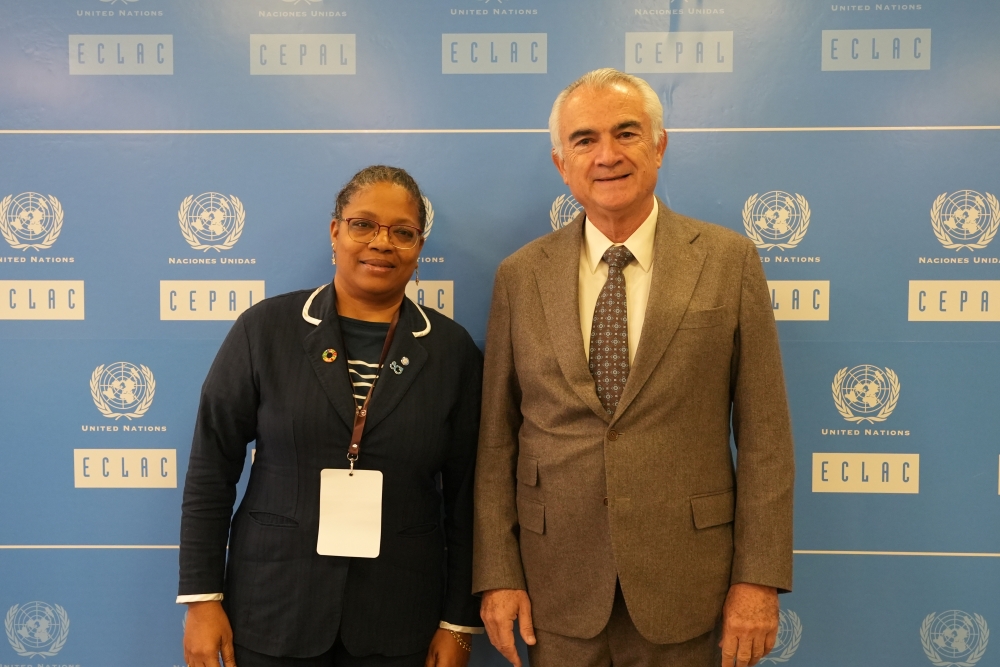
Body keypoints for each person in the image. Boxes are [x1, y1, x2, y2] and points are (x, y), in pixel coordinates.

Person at [473, 68, 795, 667]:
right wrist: (498, 574)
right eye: (585, 140)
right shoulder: (520, 276)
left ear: (660, 145)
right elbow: (496, 441)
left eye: (626, 133)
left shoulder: (728, 261)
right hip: (555, 587)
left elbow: (766, 437)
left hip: (688, 584)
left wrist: (758, 580)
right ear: (561, 164)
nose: (608, 155)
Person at [177, 165, 484, 667]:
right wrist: (202, 599)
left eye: (402, 232)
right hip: (273, 609)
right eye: (363, 225)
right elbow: (211, 470)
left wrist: (458, 624)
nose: (381, 243)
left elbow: (470, 498)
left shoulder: (453, 352)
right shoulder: (265, 330)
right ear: (335, 231)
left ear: (418, 248)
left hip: (400, 618)